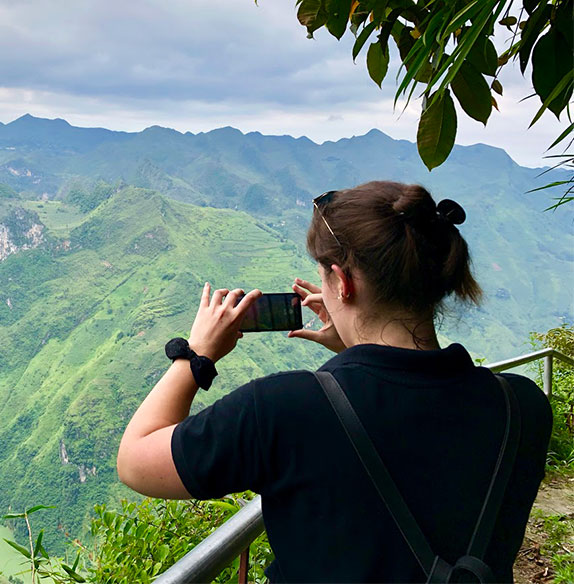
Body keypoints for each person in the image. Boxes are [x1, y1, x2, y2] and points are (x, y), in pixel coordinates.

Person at [116, 181, 552, 582]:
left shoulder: (285, 408)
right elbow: (415, 432)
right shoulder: (523, 407)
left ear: (342, 282)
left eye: (323, 275)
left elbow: (136, 462)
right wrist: (355, 351)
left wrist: (196, 355)